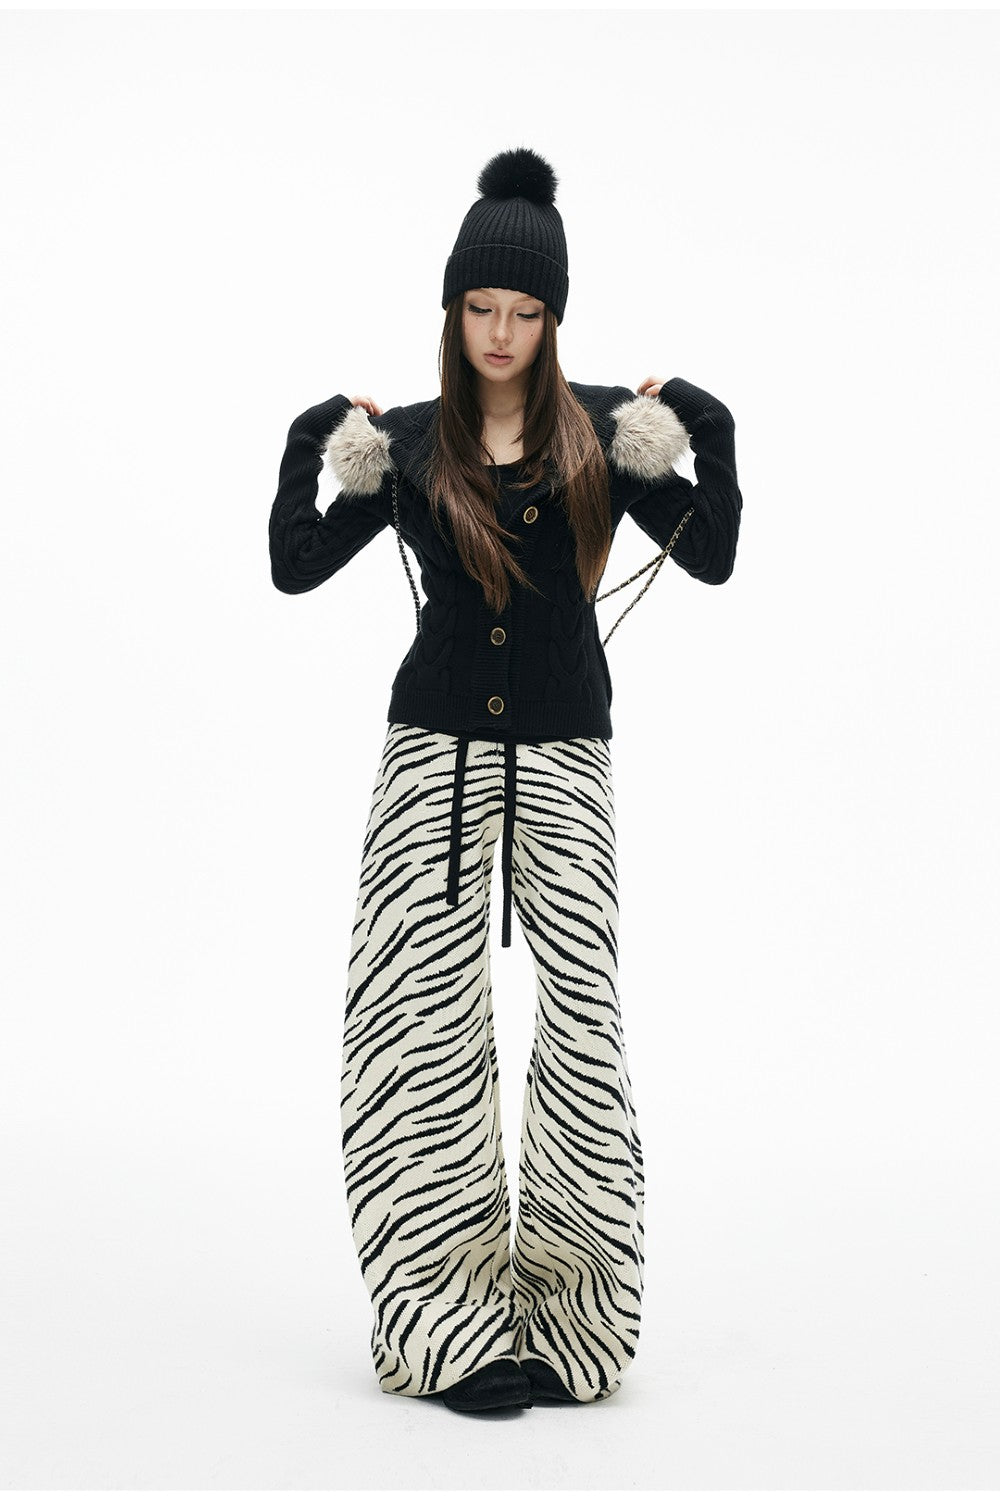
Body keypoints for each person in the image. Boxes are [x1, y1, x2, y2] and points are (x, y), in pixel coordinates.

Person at [268, 146, 743, 1414]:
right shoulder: (408, 443)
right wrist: (309, 444)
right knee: (413, 1026)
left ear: (552, 317)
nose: (499, 332)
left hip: (567, 756)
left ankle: (573, 1332)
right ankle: (451, 1330)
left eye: (525, 311)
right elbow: (296, 565)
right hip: (428, 761)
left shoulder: (603, 434)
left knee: (582, 1023)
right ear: (452, 307)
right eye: (480, 306)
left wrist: (709, 428)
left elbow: (710, 555)